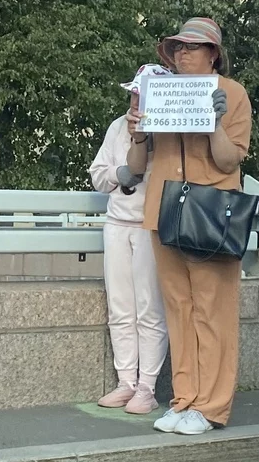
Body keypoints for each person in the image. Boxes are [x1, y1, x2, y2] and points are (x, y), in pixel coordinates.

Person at [125, 18, 252, 435]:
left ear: (213, 53)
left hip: (211, 214)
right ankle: (183, 400)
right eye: (177, 46)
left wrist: (213, 120)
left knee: (213, 313)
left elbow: (229, 161)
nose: (182, 53)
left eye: (192, 47)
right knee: (178, 310)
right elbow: (135, 169)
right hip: (163, 212)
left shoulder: (232, 93)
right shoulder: (158, 92)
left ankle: (212, 407)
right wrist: (138, 134)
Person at [89, 64, 170, 415]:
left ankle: (147, 387)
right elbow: (97, 174)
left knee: (149, 309)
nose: (136, 98)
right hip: (117, 223)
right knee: (120, 306)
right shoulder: (117, 127)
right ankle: (126, 381)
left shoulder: (169, 130)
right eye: (135, 92)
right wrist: (119, 174)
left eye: (143, 92)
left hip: (151, 225)